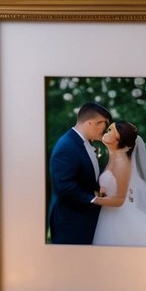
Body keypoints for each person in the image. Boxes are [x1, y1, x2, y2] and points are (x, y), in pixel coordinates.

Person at [48, 101, 112, 244]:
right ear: (90, 123)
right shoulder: (67, 147)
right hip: (70, 222)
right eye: (103, 124)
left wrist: (98, 188)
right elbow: (64, 186)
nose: (105, 129)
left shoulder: (85, 143)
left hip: (85, 219)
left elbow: (85, 177)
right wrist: (94, 199)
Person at [92, 120, 146, 247]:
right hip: (108, 214)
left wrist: (92, 199)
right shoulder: (114, 158)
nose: (106, 131)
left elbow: (119, 201)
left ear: (119, 139)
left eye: (110, 130)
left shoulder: (122, 163)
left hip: (119, 218)